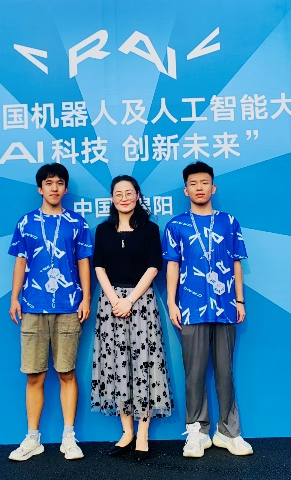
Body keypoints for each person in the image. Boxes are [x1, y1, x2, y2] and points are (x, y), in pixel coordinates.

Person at [163, 161, 252, 457]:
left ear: (213, 188)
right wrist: (172, 302)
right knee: (195, 371)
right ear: (185, 190)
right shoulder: (176, 225)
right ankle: (197, 431)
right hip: (190, 308)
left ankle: (228, 432)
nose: (199, 188)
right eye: (193, 183)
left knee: (225, 371)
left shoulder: (229, 222)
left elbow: (236, 263)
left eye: (204, 183)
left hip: (225, 306)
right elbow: (173, 265)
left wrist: (240, 300)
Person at [7, 163, 93, 461]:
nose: (54, 188)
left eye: (59, 183)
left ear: (65, 189)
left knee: (67, 372)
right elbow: (20, 261)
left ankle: (69, 437)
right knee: (34, 375)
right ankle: (33, 438)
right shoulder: (26, 222)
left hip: (69, 307)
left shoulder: (77, 223)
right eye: (48, 183)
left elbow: (83, 261)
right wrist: (15, 298)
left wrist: (86, 298)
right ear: (40, 188)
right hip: (32, 306)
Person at [90, 175, 173, 462]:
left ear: (137, 195)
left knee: (144, 366)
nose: (124, 198)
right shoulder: (103, 230)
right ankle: (127, 432)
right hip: (111, 303)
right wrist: (115, 299)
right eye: (118, 193)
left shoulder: (150, 229)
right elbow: (99, 267)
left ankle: (143, 435)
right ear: (112, 198)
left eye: (129, 192)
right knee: (117, 366)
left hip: (141, 303)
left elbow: (154, 266)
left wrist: (130, 300)